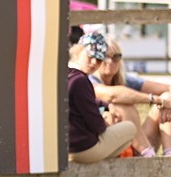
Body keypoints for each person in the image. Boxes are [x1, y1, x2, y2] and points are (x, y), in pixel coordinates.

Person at [90, 38, 171, 156]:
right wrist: (154, 99)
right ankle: (147, 154)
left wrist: (166, 101)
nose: (110, 61)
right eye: (105, 56)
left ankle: (168, 154)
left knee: (167, 99)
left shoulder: (124, 79)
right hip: (107, 146)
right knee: (122, 104)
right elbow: (112, 95)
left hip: (133, 144)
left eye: (116, 57)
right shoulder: (88, 80)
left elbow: (167, 88)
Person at [68, 33, 138, 163]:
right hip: (82, 150)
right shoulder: (80, 81)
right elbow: (97, 126)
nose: (94, 63)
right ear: (78, 51)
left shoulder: (65, 74)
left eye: (99, 59)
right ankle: (101, 165)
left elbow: (80, 101)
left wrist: (106, 105)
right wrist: (106, 121)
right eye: (90, 56)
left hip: (63, 148)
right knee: (130, 128)